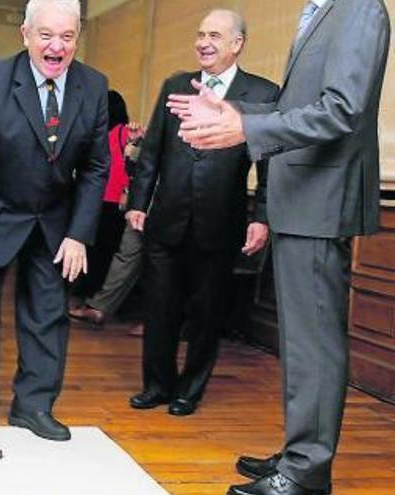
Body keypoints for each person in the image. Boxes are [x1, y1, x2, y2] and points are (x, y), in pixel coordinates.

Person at [169, 0, 390, 493]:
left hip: (321, 199)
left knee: (314, 344)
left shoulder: (360, 9)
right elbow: (296, 110)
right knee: (301, 342)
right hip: (302, 200)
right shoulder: (322, 11)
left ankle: (307, 471)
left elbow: (341, 111)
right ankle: (300, 452)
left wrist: (245, 129)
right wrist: (235, 111)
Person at [0, 0, 109, 441]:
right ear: (25, 35)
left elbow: (95, 168)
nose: (57, 47)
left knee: (48, 316)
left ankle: (34, 407)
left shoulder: (93, 85)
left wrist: (79, 233)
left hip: (52, 222)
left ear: (77, 38)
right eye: (46, 35)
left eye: (67, 37)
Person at [125, 9, 278, 418]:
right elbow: (152, 149)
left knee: (208, 313)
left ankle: (189, 391)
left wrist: (261, 216)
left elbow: (271, 168)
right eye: (200, 34)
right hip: (166, 218)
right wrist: (139, 202)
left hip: (220, 222)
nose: (203, 42)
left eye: (214, 35)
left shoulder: (262, 95)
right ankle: (156, 385)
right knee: (158, 307)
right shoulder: (176, 85)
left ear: (236, 44)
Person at [69, 90, 140, 319]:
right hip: (103, 200)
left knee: (99, 250)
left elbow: (135, 152)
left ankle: (93, 297)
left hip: (107, 201)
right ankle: (91, 295)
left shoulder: (120, 132)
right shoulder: (103, 133)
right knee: (100, 250)